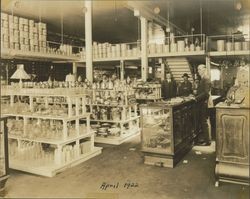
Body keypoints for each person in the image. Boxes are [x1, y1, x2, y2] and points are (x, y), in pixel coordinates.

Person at [195, 64, 211, 146]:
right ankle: (205, 139)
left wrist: (196, 98)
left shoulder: (206, 78)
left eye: (199, 69)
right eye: (198, 70)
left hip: (203, 104)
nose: (198, 71)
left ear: (204, 69)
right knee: (202, 122)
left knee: (204, 122)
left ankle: (207, 141)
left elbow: (206, 93)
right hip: (201, 103)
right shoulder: (203, 79)